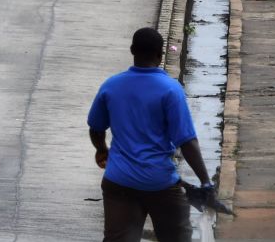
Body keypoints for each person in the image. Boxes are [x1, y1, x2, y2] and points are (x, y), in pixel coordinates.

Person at [87, 27, 216, 242]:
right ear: (160, 54)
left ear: (132, 50)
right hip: (160, 184)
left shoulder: (111, 86)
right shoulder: (170, 90)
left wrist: (102, 150)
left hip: (119, 182)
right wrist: (206, 182)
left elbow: (96, 129)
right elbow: (187, 142)